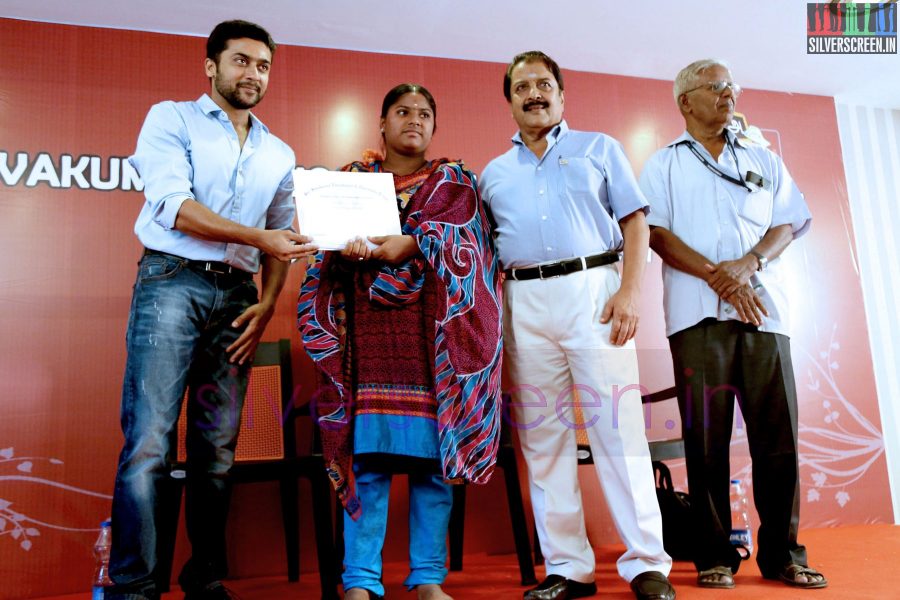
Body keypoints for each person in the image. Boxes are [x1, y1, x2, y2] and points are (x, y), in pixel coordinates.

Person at [107, 20, 317, 600]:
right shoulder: (170, 118)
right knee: (150, 441)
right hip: (171, 282)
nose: (253, 74)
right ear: (212, 66)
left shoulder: (279, 152)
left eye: (263, 65)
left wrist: (268, 304)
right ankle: (133, 588)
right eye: (242, 61)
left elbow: (280, 237)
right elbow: (175, 208)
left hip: (239, 298)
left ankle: (203, 576)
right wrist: (262, 239)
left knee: (218, 451)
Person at [479, 51, 675, 600]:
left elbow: (635, 222)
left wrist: (630, 290)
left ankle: (646, 563)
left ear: (562, 94)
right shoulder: (494, 174)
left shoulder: (600, 147)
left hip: (595, 293)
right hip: (524, 301)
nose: (534, 93)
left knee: (618, 430)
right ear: (510, 100)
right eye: (522, 87)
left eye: (544, 84)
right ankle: (568, 568)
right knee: (544, 439)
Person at [298, 83, 503, 600]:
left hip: (435, 338)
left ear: (435, 127)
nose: (414, 120)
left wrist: (412, 242)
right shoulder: (351, 182)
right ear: (382, 124)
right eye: (403, 111)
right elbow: (322, 253)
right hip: (368, 335)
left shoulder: (454, 182)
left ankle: (428, 578)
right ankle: (361, 580)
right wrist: (343, 250)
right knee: (368, 460)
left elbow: (474, 247)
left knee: (432, 466)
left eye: (425, 113)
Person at [638, 58, 827, 590]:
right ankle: (713, 555)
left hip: (765, 314)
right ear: (686, 102)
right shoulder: (663, 164)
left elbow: (787, 222)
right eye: (716, 87)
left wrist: (751, 265)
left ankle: (784, 554)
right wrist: (718, 277)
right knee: (704, 439)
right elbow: (656, 234)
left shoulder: (763, 157)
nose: (729, 94)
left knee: (779, 437)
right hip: (698, 319)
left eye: (732, 87)